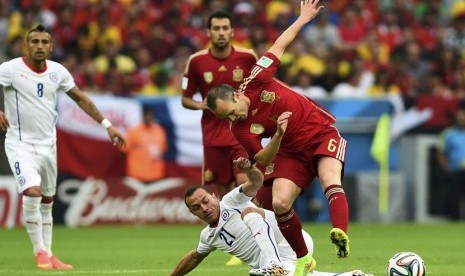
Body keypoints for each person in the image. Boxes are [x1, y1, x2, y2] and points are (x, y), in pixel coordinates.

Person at [206, 1, 349, 275]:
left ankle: (340, 233)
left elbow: (280, 44)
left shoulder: (256, 77)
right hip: (288, 151)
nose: (231, 119)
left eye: (231, 112)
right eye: (224, 118)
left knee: (331, 179)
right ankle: (304, 258)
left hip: (319, 131)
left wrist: (303, 18)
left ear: (237, 95)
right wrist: (279, 135)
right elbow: (261, 157)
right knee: (281, 203)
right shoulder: (239, 128)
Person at [169, 112, 372, 276]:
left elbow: (256, 182)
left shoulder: (230, 201)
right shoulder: (208, 236)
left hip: (290, 241)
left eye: (205, 201)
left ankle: (275, 266)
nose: (204, 208)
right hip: (285, 260)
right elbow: (195, 257)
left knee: (249, 211)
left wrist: (248, 169)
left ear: (214, 197)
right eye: (196, 207)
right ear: (192, 213)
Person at [0, 25, 126, 270]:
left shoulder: (58, 72)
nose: (39, 46)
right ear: (26, 46)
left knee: (47, 199)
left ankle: (49, 253)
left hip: (49, 145)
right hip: (20, 144)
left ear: (51, 46)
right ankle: (39, 252)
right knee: (33, 192)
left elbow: (81, 98)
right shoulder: (10, 69)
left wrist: (107, 125)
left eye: (44, 42)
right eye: (34, 41)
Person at [181, 9, 257, 267]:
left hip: (239, 133)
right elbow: (185, 99)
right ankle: (238, 245)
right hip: (212, 138)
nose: (221, 32)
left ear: (233, 31)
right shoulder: (197, 61)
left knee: (244, 184)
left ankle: (256, 235)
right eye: (217, 28)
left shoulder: (248, 57)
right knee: (222, 194)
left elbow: (260, 88)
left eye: (226, 28)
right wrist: (205, 105)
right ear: (209, 32)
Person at [123, 107, 168, 183]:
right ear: (142, 116)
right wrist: (138, 148)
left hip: (156, 173)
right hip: (136, 174)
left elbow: (164, 148)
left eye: (150, 115)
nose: (148, 117)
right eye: (146, 115)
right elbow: (123, 149)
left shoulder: (159, 130)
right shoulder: (134, 131)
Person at [436, 105, 465, 220]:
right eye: (460, 117)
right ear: (455, 119)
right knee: (454, 196)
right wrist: (445, 167)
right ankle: (455, 219)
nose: (462, 119)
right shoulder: (448, 133)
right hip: (455, 170)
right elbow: (440, 152)